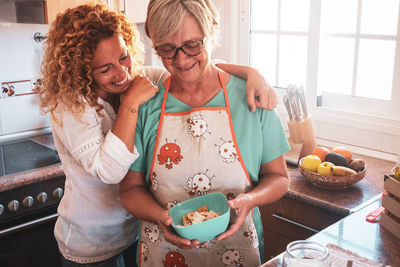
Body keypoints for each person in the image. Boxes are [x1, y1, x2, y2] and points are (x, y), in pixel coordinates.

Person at [37, 3, 279, 267]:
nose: (122, 73)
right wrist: (130, 104)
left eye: (124, 57)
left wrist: (251, 72)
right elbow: (111, 173)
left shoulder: (139, 79)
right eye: (105, 69)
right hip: (93, 241)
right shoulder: (73, 106)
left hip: (133, 234)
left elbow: (195, 69)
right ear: (81, 72)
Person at [119, 0, 290, 266]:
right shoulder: (146, 105)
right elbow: (130, 189)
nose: (182, 59)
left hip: (237, 251)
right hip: (163, 254)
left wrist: (250, 200)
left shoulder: (251, 97)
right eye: (167, 49)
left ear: (210, 34)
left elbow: (279, 177)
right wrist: (160, 217)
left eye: (192, 45)